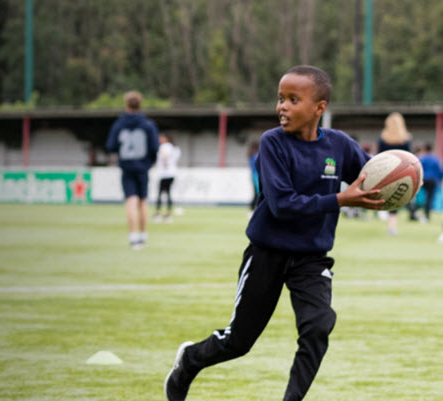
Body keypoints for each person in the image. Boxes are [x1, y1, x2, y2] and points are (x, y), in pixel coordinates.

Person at [164, 65, 384, 401]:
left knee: (318, 327)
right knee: (239, 342)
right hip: (268, 252)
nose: (282, 106)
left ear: (319, 108)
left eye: (293, 99)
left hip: (312, 258)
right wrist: (342, 198)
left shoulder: (339, 145)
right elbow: (283, 204)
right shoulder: (272, 143)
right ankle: (190, 360)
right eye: (280, 98)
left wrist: (399, 183)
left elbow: (375, 176)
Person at [105, 90, 159, 250]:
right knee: (143, 201)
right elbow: (154, 146)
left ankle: (133, 236)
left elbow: (111, 145)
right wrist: (149, 162)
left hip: (127, 166)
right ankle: (143, 236)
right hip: (142, 166)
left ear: (126, 104)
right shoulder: (148, 124)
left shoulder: (119, 124)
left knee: (130, 200)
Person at [377, 112, 413, 234]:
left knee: (386, 196)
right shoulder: (406, 139)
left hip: (385, 171)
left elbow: (378, 156)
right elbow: (410, 158)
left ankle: (389, 221)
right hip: (401, 172)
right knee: (396, 197)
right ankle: (392, 224)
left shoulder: (383, 138)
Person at [152, 133, 181, 223]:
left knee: (161, 194)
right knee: (167, 194)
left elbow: (164, 156)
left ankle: (158, 214)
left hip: (165, 174)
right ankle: (168, 214)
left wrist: (164, 163)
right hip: (171, 173)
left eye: (161, 138)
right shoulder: (174, 148)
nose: (159, 139)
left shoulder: (165, 146)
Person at [417, 143, 442, 224]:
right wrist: (439, 180)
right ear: (432, 149)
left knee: (420, 197)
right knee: (429, 198)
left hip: (423, 180)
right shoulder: (435, 159)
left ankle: (416, 212)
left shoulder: (421, 158)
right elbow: (439, 171)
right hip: (432, 180)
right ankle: (427, 215)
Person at [247, 138, 260, 213]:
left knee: (255, 193)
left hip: (253, 175)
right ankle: (254, 209)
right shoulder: (256, 156)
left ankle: (252, 209)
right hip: (256, 175)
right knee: (258, 193)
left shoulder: (251, 155)